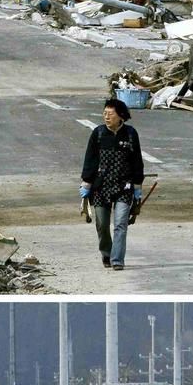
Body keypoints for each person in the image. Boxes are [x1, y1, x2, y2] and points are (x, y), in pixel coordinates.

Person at [80, 97, 145, 270]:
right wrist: (86, 183)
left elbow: (137, 160)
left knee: (121, 224)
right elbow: (90, 159)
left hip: (124, 186)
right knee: (102, 224)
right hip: (101, 186)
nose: (107, 117)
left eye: (110, 114)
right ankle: (107, 253)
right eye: (105, 113)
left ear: (121, 116)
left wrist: (138, 186)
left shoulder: (131, 134)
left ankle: (117, 260)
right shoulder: (99, 133)